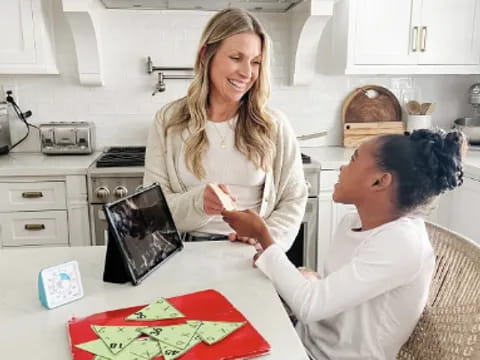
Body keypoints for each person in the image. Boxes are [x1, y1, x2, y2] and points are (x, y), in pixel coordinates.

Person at [222, 129, 466, 359]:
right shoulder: (354, 222)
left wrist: (264, 237)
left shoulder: (403, 243)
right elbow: (326, 293)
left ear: (379, 182)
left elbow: (310, 305)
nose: (342, 167)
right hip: (301, 343)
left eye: (353, 160)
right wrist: (267, 251)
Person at [143, 8, 307, 250]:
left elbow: (293, 199)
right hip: (186, 255)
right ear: (205, 56)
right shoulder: (168, 121)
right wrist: (199, 203)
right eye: (236, 57)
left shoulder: (274, 125)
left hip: (252, 256)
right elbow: (153, 209)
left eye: (256, 62)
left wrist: (264, 243)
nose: (247, 72)